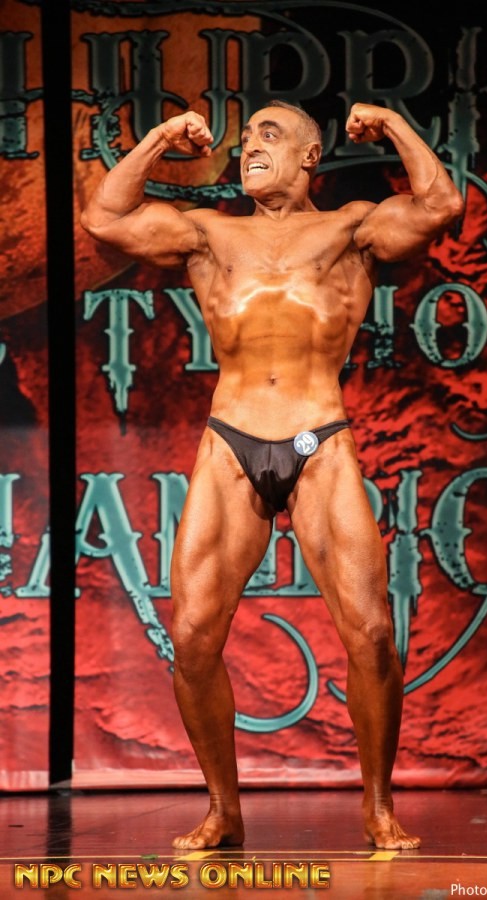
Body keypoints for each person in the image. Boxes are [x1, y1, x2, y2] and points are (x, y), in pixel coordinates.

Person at [81, 100, 463, 851]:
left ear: (310, 156)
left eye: (269, 134)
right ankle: (223, 810)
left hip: (321, 439)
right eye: (246, 135)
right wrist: (161, 138)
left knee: (372, 634)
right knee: (193, 636)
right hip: (231, 439)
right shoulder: (211, 234)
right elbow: (105, 218)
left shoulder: (350, 229)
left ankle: (379, 806)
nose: (250, 146)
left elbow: (439, 205)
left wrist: (391, 124)